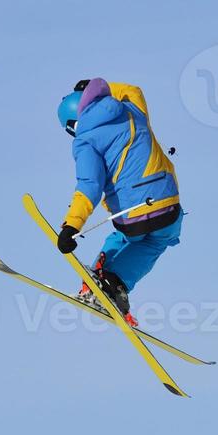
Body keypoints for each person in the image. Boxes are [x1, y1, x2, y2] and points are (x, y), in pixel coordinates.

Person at [55, 78, 183, 325]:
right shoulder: (132, 109)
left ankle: (97, 288)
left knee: (124, 238)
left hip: (133, 215)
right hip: (169, 208)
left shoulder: (85, 142)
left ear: (74, 124)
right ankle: (116, 287)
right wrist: (98, 86)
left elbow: (89, 186)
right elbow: (133, 89)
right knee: (156, 242)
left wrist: (71, 226)